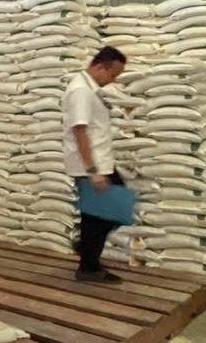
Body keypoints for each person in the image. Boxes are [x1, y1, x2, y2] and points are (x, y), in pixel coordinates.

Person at [62, 46, 127, 283]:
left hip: (101, 162)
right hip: (92, 165)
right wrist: (92, 172)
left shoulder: (89, 89)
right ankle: (88, 266)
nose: (113, 80)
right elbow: (79, 131)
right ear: (100, 66)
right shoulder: (81, 90)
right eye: (113, 74)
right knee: (100, 216)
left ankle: (86, 249)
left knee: (113, 211)